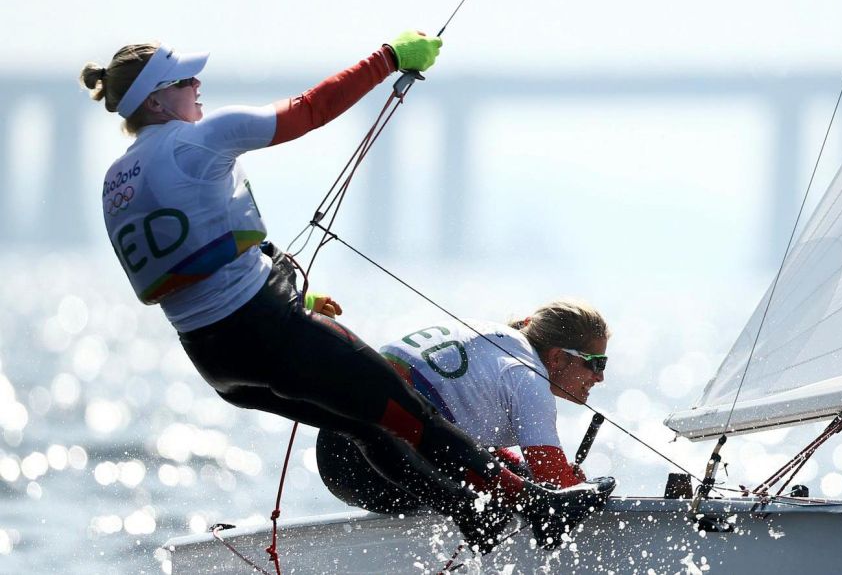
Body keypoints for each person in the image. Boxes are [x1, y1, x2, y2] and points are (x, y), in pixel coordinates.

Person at [81, 36, 614, 554]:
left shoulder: (116, 179)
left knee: (369, 423)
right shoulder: (199, 138)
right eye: (183, 79)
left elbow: (193, 264)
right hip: (267, 332)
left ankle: (472, 517)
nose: (198, 84)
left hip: (215, 361)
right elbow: (310, 110)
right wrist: (389, 59)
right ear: (154, 100)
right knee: (412, 415)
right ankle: (538, 508)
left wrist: (295, 298)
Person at [318, 300, 610, 518]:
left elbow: (459, 438)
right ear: (557, 357)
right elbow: (555, 481)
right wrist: (576, 487)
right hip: (372, 463)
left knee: (519, 479)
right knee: (537, 495)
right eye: (596, 363)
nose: (600, 377)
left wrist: (529, 475)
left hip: (339, 443)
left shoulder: (497, 338)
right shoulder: (528, 378)